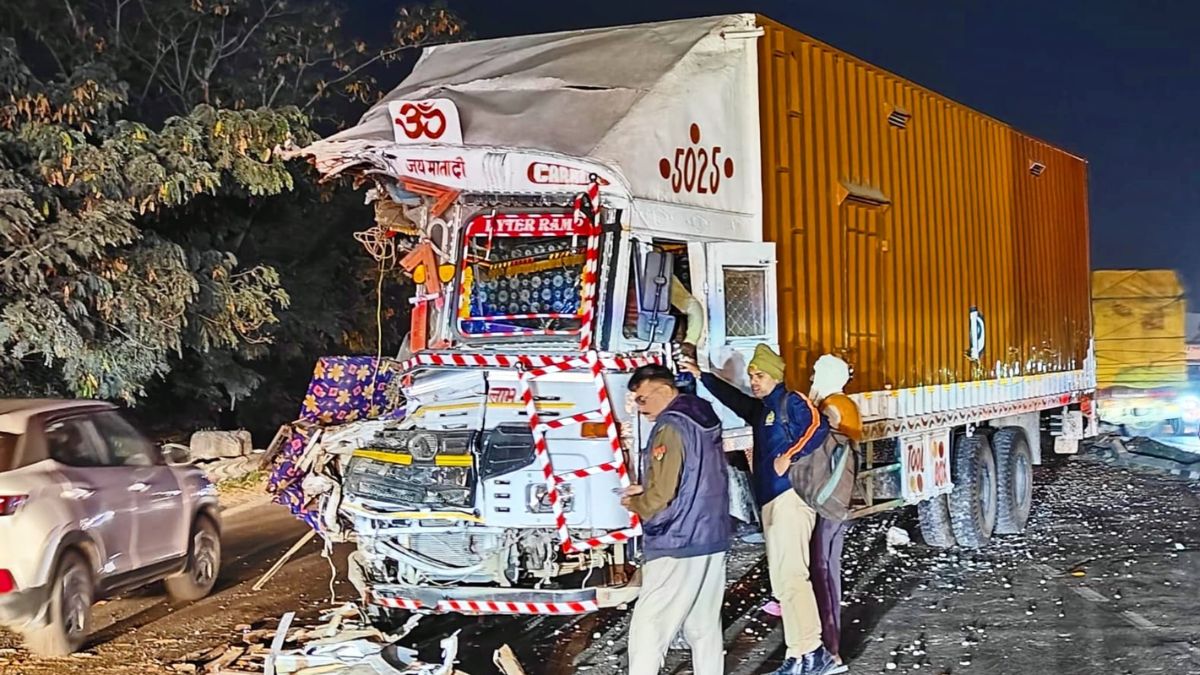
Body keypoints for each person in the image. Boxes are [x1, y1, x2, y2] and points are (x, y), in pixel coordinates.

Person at [682, 345, 837, 675]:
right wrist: (702, 376)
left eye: (760, 375)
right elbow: (733, 399)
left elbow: (817, 426)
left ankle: (812, 652)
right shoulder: (762, 410)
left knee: (793, 577)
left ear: (776, 376)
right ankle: (799, 654)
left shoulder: (791, 401)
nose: (754, 381)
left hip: (792, 497)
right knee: (782, 582)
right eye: (752, 375)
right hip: (771, 501)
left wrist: (790, 456)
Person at [622, 364, 731, 675]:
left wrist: (636, 502)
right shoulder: (702, 414)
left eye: (642, 399)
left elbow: (661, 495)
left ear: (663, 390)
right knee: (703, 625)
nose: (639, 407)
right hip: (712, 533)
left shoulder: (671, 426)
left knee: (650, 625)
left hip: (678, 538)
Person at [806, 355, 863, 673]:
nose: (812, 378)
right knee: (831, 565)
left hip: (826, 497)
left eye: (816, 373)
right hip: (842, 497)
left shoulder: (829, 407)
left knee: (821, 568)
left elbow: (814, 449)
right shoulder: (848, 404)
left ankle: (829, 648)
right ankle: (833, 645)